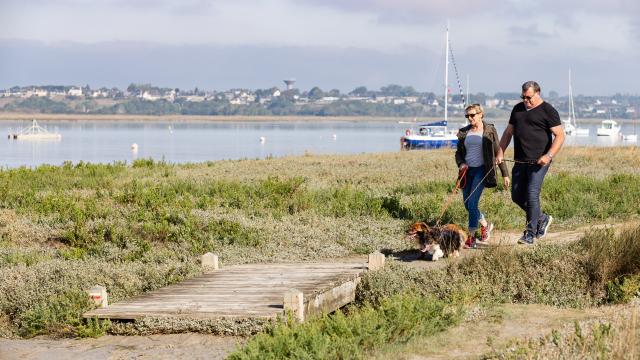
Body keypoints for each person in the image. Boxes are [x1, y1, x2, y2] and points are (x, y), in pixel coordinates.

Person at [496, 81, 565, 245]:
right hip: (520, 161)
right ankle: (542, 218)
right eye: (523, 97)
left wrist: (548, 155)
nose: (526, 100)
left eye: (529, 97)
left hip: (539, 162)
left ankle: (529, 233)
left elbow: (560, 136)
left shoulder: (548, 110)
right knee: (517, 196)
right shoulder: (518, 109)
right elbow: (508, 132)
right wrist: (500, 152)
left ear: (538, 93)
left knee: (531, 195)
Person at [456, 104, 510, 248]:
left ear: (481, 115)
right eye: (467, 116)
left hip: (482, 171)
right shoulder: (463, 132)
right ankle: (485, 225)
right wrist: (461, 163)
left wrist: (505, 174)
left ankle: (471, 238)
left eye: (472, 115)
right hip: (466, 172)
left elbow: (499, 151)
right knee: (468, 205)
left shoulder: (489, 130)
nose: (469, 118)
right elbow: (458, 153)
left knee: (473, 203)